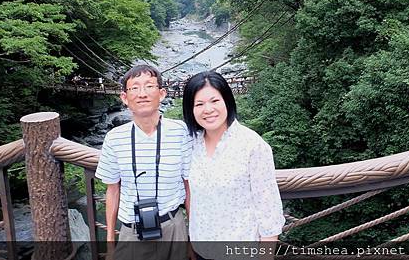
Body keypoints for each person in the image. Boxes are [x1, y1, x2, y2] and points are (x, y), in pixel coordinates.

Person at [182, 71, 284, 257]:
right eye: (199, 104)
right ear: (191, 109)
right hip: (201, 249)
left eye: (215, 101)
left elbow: (269, 210)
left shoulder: (252, 146)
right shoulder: (190, 144)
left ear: (227, 101)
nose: (208, 109)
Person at [95, 65, 192, 260]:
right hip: (132, 229)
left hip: (174, 226)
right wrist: (110, 243)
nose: (142, 94)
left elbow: (188, 185)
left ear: (162, 93)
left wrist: (193, 238)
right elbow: (112, 190)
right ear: (124, 98)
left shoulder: (180, 132)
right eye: (134, 88)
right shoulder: (114, 138)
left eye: (149, 86)